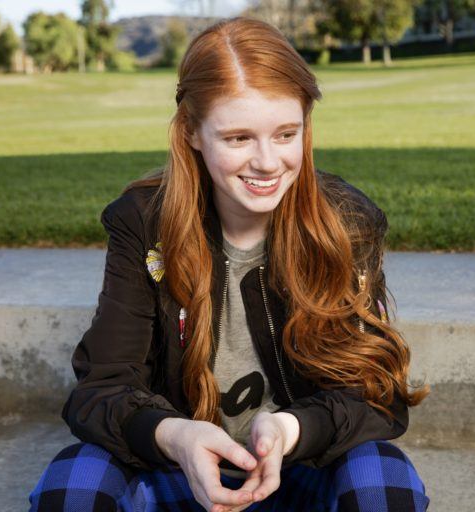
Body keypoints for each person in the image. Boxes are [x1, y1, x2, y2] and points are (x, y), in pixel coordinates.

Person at [29, 16, 430, 512]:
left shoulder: (345, 223)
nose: (267, 162)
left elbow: (377, 395)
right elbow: (101, 391)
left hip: (298, 471)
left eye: (286, 134)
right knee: (74, 481)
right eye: (238, 138)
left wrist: (290, 429)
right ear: (193, 132)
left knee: (381, 480)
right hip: (180, 471)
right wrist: (174, 436)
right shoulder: (142, 223)